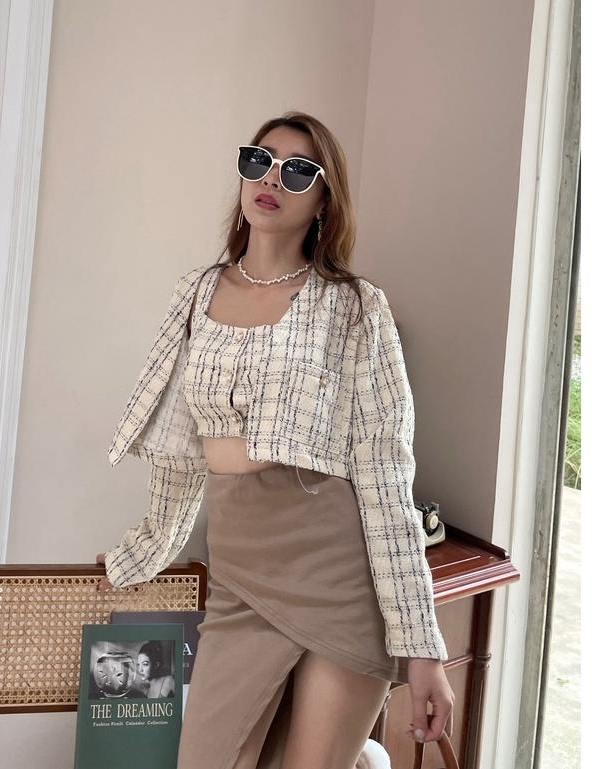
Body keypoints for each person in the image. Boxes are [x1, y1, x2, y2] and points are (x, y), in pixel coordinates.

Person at [95, 110, 454, 769]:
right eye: (258, 161)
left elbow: (384, 473)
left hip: (336, 575)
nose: (271, 179)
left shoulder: (355, 307)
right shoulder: (196, 293)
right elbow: (177, 447)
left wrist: (423, 647)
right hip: (240, 578)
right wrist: (145, 550)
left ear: (323, 201)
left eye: (298, 171)